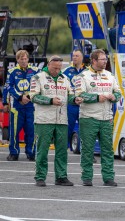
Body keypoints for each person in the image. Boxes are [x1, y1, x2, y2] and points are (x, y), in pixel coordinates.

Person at [30, 55, 82, 187]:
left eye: (59, 68)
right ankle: (40, 177)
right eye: (55, 68)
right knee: (42, 150)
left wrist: (75, 100)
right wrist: (50, 101)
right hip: (43, 120)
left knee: (62, 151)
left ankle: (61, 177)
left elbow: (70, 95)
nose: (57, 71)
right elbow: (34, 97)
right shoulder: (37, 77)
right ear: (49, 64)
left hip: (61, 120)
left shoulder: (65, 78)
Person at [74, 49, 121, 187]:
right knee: (88, 149)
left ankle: (108, 177)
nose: (105, 61)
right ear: (94, 60)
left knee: (107, 149)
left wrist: (114, 97)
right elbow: (79, 95)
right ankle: (87, 177)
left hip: (106, 118)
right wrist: (96, 98)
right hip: (89, 118)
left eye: (106, 59)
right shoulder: (83, 76)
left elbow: (118, 93)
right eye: (102, 59)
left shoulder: (110, 75)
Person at [3, 50, 39, 161]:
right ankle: (14, 153)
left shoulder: (36, 71)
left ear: (28, 59)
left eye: (25, 58)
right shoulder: (12, 71)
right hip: (16, 107)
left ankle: (31, 153)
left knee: (31, 130)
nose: (23, 61)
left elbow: (38, 86)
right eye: (21, 59)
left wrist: (28, 97)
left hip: (31, 106)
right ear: (17, 60)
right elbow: (8, 87)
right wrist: (8, 101)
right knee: (14, 131)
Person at [63, 49, 87, 147]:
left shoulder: (87, 71)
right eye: (73, 56)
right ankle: (63, 149)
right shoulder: (66, 71)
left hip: (84, 104)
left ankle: (86, 153)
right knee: (68, 128)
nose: (74, 58)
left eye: (77, 56)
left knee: (85, 130)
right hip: (71, 105)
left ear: (82, 57)